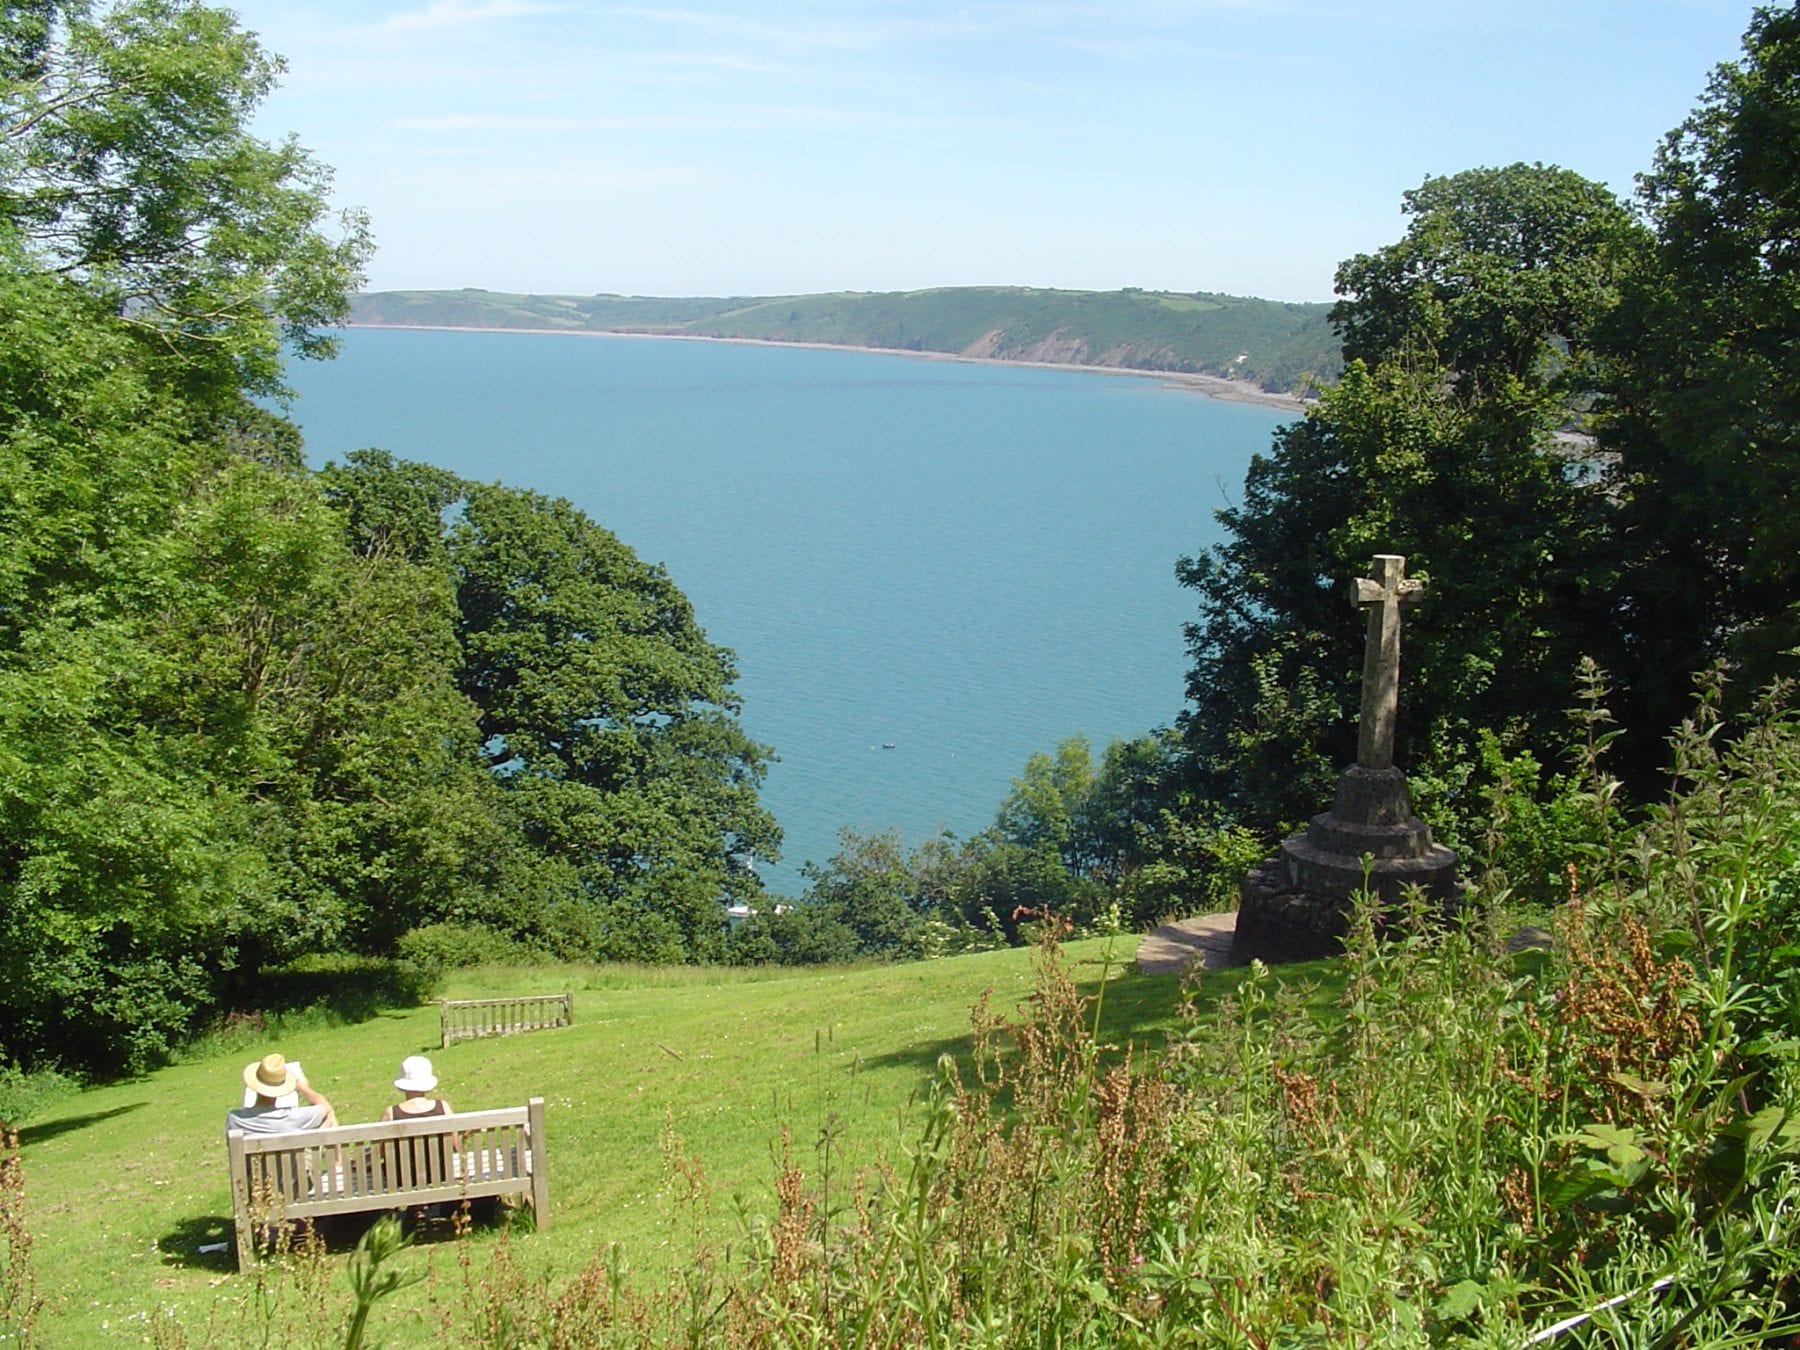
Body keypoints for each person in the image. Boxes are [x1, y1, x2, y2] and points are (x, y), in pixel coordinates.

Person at [382, 1055, 458, 1189]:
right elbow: (455, 1144)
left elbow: (380, 1151)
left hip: (402, 1180)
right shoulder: (443, 1107)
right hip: (441, 1175)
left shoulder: (391, 1113)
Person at [226, 1053, 337, 1135]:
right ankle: (338, 1163)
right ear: (281, 1089)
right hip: (295, 1167)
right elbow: (326, 1106)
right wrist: (303, 1088)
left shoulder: (235, 1119)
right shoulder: (293, 1117)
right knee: (329, 1116)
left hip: (253, 1167)